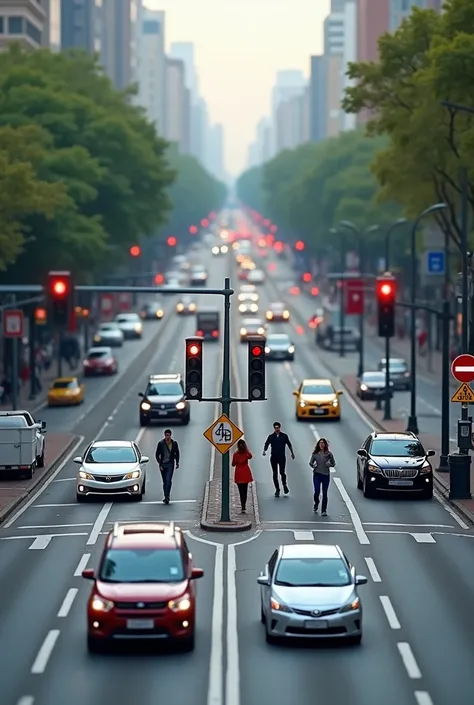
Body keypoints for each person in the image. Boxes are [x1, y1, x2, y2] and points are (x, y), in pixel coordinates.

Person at [262, 421, 295, 497]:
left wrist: (292, 453)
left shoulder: (284, 436)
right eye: (275, 428)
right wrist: (264, 450)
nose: (277, 429)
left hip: (282, 457)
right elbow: (266, 444)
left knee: (282, 472)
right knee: (275, 474)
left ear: (280, 428)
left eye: (278, 428)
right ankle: (277, 489)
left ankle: (284, 484)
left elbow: (289, 444)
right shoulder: (271, 437)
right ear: (274, 428)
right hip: (273, 457)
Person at [309, 438, 335, 515]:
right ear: (318, 444)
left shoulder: (329, 454)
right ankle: (316, 502)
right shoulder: (315, 454)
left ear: (325, 444)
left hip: (325, 475)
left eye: (323, 443)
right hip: (317, 474)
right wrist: (313, 465)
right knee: (317, 491)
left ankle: (324, 510)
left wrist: (329, 464)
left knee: (325, 493)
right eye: (320, 443)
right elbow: (310, 462)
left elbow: (333, 463)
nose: (322, 444)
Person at [155, 429, 180, 504]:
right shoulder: (161, 443)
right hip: (163, 464)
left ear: (170, 435)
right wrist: (159, 464)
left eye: (168, 435)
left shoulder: (174, 443)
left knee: (168, 480)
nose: (167, 437)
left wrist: (177, 462)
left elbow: (177, 453)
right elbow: (157, 454)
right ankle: (166, 495)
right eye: (166, 435)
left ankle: (167, 496)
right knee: (164, 481)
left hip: (170, 464)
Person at [231, 439, 254, 513]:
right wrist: (246, 449)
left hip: (238, 473)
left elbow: (233, 464)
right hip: (245, 472)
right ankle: (243, 506)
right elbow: (250, 456)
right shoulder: (245, 453)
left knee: (241, 491)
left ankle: (242, 505)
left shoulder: (236, 454)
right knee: (245, 490)